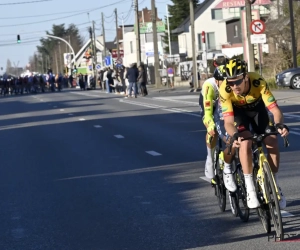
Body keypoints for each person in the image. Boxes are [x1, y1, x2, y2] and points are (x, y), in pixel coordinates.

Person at [219, 58, 289, 209]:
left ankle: (275, 185)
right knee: (245, 142)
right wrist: (235, 135)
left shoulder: (258, 81)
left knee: (271, 140)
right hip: (238, 114)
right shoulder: (225, 89)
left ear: (245, 77)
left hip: (257, 111)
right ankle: (250, 187)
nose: (234, 86)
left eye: (237, 81)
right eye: (231, 82)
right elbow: (228, 122)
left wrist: (278, 124)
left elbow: (275, 110)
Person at [199, 66, 236, 192]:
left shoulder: (229, 86)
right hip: (209, 104)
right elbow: (207, 112)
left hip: (225, 104)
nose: (226, 84)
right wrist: (210, 125)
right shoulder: (209, 86)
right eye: (223, 81)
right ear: (216, 80)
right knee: (212, 130)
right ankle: (210, 157)